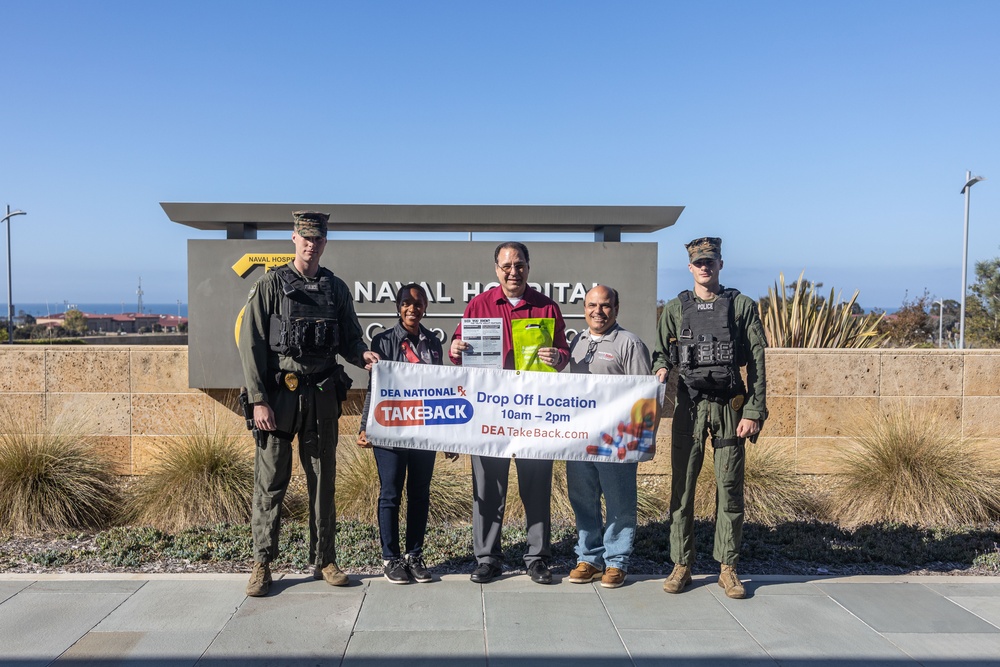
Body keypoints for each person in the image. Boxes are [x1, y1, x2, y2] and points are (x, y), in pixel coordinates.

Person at [239, 210, 379, 597]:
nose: (310, 244)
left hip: (320, 398)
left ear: (324, 242)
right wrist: (258, 401)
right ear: (293, 238)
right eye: (305, 237)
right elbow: (250, 346)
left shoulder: (336, 289)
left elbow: (350, 338)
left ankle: (326, 559)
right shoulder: (269, 286)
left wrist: (363, 355)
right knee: (270, 483)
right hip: (280, 400)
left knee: (323, 482)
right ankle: (262, 564)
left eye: (317, 238)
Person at [652, 237, 767, 600]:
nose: (705, 267)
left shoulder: (741, 306)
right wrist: (659, 369)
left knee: (729, 488)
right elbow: (661, 352)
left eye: (711, 261)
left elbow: (759, 364)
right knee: (682, 489)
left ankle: (728, 567)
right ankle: (681, 564)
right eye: (699, 262)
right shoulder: (674, 308)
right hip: (689, 406)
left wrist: (753, 411)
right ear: (690, 267)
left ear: (720, 264)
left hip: (729, 407)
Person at [449, 241, 569, 584]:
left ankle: (537, 558)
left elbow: (562, 353)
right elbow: (458, 350)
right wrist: (456, 349)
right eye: (506, 266)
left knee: (536, 485)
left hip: (533, 413)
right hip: (489, 413)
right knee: (487, 487)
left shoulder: (546, 308)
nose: (513, 271)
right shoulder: (479, 305)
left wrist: (557, 358)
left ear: (529, 267)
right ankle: (487, 558)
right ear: (496, 269)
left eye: (519, 265)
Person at [357, 283, 458, 584]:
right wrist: (365, 424)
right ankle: (391, 559)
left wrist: (448, 435)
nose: (412, 308)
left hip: (424, 429)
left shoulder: (433, 343)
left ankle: (414, 555)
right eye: (406, 302)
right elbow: (374, 387)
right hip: (390, 427)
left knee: (419, 494)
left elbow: (441, 392)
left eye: (418, 303)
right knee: (390, 493)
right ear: (397, 307)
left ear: (426, 306)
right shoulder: (384, 340)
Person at [566, 285, 651, 589]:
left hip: (616, 440)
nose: (597, 312)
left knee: (619, 502)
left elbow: (643, 396)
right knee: (583, 499)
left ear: (616, 308)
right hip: (580, 438)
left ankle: (616, 561)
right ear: (584, 308)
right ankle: (588, 557)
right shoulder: (576, 342)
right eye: (592, 305)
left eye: (604, 306)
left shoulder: (629, 344)